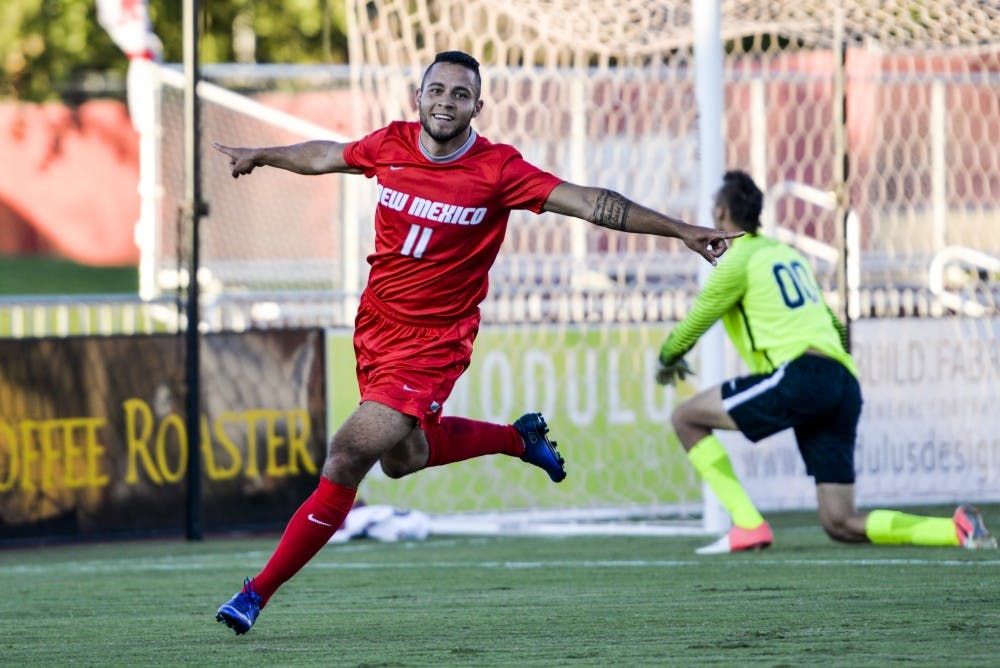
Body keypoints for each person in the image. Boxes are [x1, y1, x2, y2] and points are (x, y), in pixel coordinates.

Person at [213, 50, 743, 634]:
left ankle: (255, 593)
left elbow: (590, 202)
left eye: (459, 94)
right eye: (435, 90)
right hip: (376, 326)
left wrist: (681, 230)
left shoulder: (498, 170)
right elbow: (325, 155)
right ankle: (518, 439)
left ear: (477, 106)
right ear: (418, 98)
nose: (445, 101)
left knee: (347, 455)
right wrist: (263, 154)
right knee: (402, 459)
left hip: (435, 341)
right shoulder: (391, 143)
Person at [656, 169, 997, 555]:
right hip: (841, 381)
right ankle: (955, 530)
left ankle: (748, 524)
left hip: (801, 375)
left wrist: (667, 358)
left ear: (720, 213)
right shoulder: (787, 254)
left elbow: (696, 321)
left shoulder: (738, 260)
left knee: (686, 418)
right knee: (840, 521)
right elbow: (832, 322)